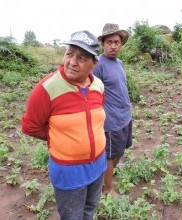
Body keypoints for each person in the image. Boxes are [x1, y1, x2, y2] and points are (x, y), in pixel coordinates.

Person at [21, 30, 106, 220]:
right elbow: (30, 126)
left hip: (98, 165)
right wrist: (58, 137)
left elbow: (97, 118)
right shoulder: (47, 88)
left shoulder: (98, 85)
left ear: (94, 63)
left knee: (89, 210)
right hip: (69, 172)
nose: (72, 61)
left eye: (81, 57)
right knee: (72, 216)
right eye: (69, 53)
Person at [93, 23, 132, 196]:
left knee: (120, 149)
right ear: (103, 44)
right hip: (111, 119)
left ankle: (113, 166)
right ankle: (108, 188)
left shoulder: (120, 63)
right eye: (109, 42)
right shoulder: (98, 65)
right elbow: (94, 92)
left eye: (116, 42)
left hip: (125, 115)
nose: (113, 46)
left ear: (121, 44)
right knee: (109, 155)